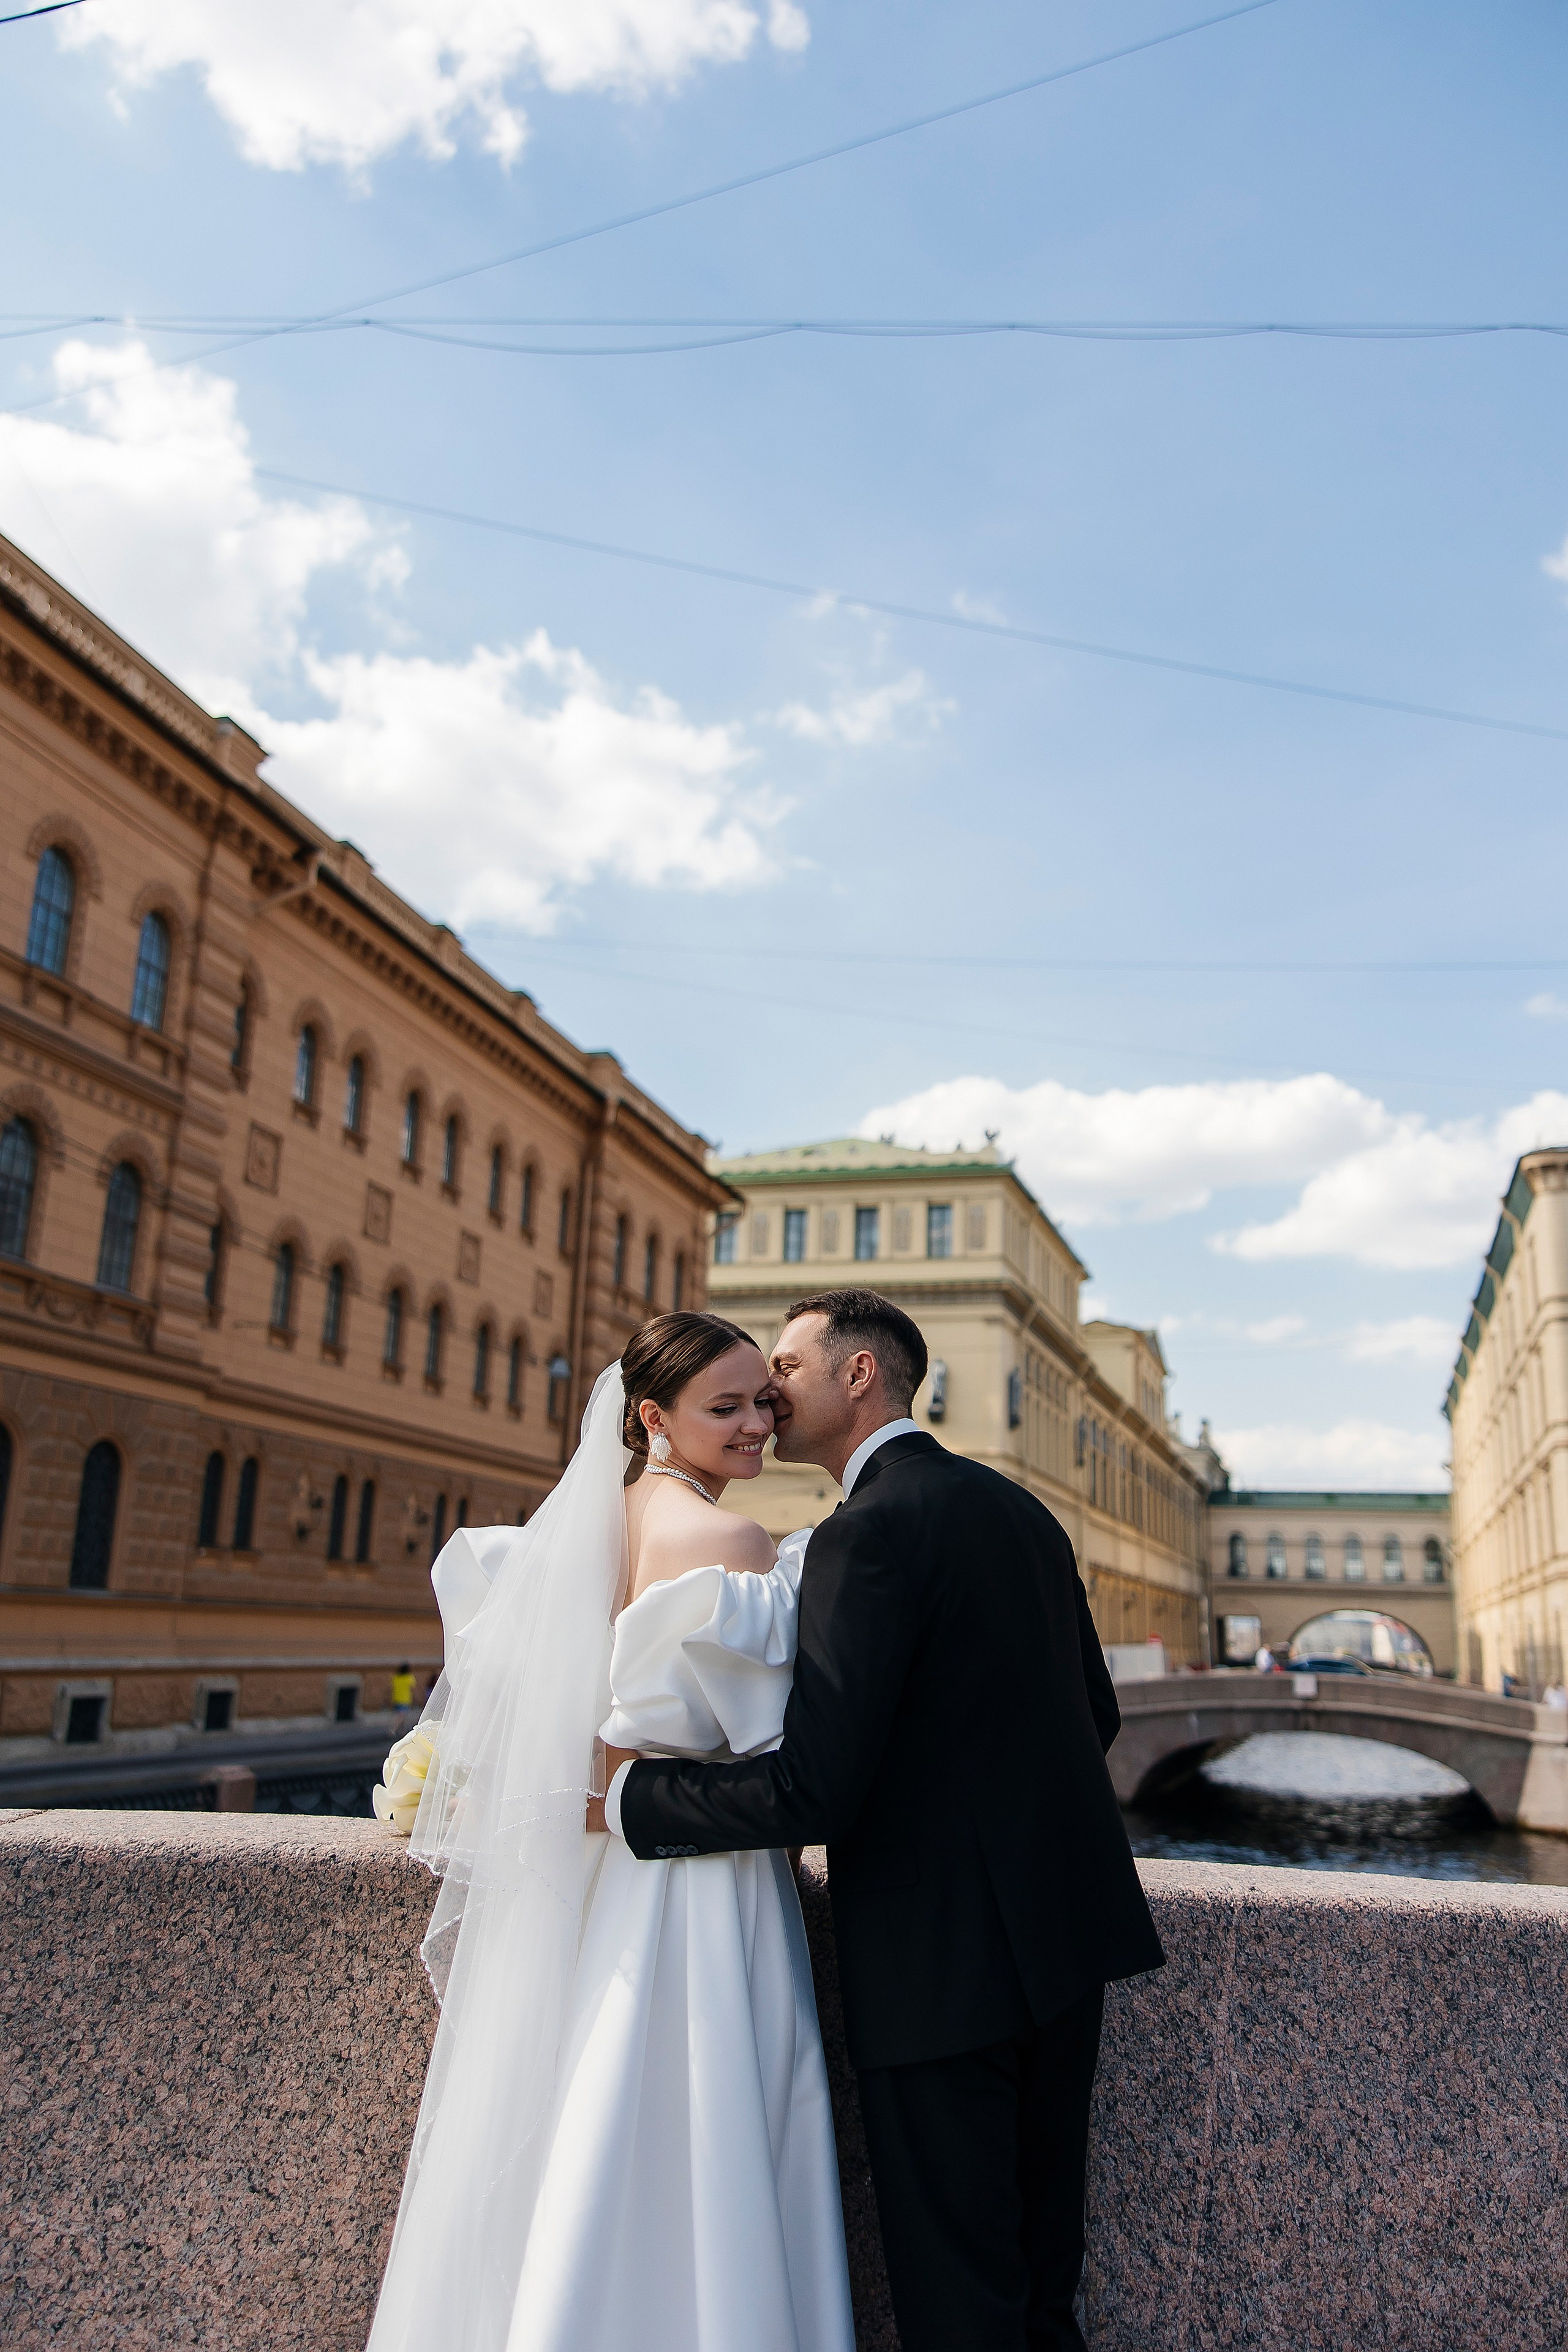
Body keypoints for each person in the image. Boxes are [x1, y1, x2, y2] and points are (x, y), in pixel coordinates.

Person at [602, 1287, 1165, 2352]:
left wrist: (626, 1796)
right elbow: (1095, 1715)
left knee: (961, 2296)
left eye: (787, 1365)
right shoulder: (1015, 1509)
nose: (769, 1388)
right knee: (1046, 2287)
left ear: (858, 1376)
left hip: (936, 1965)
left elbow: (814, 1792)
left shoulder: (865, 1535)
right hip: (1065, 1946)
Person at [368, 1312, 854, 2352]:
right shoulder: (733, 1541)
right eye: (722, 1409)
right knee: (708, 2124)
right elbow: (777, 1750)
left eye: (762, 1401)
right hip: (700, 1880)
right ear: (652, 1417)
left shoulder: (579, 1532)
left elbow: (554, 1727)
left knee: (578, 2123)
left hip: (591, 1880)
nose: (756, 1425)